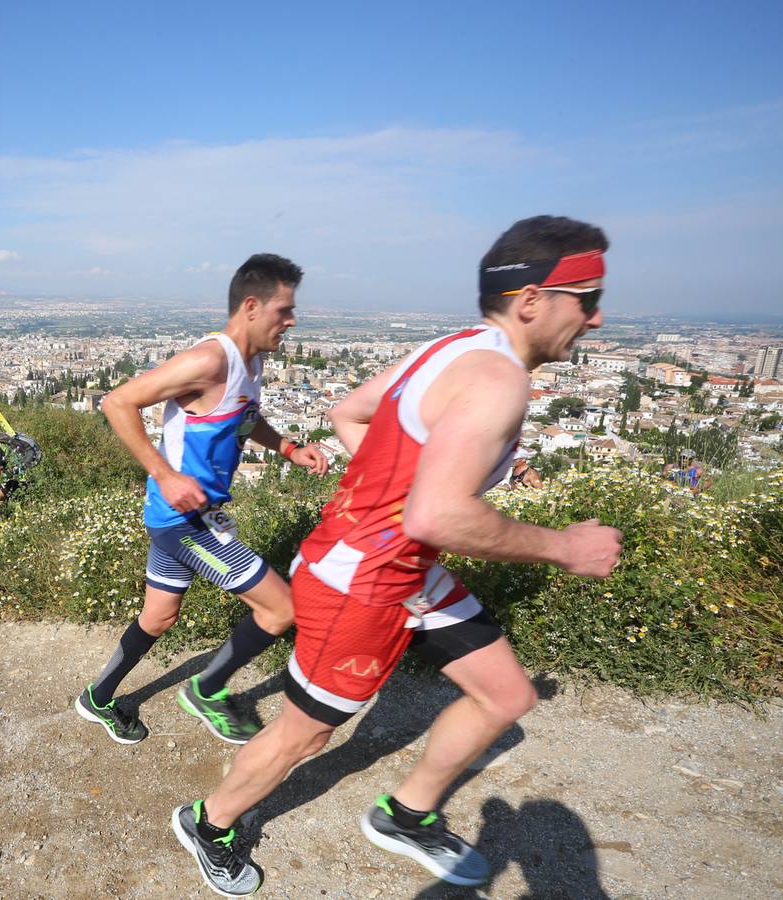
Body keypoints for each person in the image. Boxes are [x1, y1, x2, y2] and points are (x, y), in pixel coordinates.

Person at [172, 216, 624, 896]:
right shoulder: (496, 378)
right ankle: (209, 823)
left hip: (402, 567)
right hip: (357, 582)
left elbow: (349, 414)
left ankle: (406, 816)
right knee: (304, 734)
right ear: (531, 300)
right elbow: (437, 515)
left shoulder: (452, 347)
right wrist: (564, 547)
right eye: (587, 299)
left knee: (505, 694)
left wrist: (394, 501)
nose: (595, 318)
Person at [77, 253, 329, 747]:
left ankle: (97, 697)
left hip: (193, 514)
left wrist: (288, 447)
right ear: (252, 307)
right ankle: (206, 690)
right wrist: (165, 475)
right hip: (183, 519)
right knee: (281, 609)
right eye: (284, 310)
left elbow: (245, 416)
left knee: (159, 617)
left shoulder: (251, 362)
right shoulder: (210, 360)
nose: (292, 321)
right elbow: (117, 401)